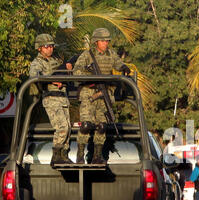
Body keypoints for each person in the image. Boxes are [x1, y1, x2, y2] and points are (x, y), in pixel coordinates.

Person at [73, 28, 131, 164]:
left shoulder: (111, 54)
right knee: (86, 125)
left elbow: (118, 63)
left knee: (101, 126)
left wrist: (123, 68)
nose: (106, 43)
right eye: (103, 41)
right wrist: (91, 78)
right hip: (88, 92)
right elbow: (77, 71)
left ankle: (97, 156)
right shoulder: (87, 55)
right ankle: (80, 154)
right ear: (96, 41)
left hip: (104, 93)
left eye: (107, 41)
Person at [29, 34, 74, 166]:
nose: (50, 49)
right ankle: (56, 156)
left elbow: (65, 75)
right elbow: (35, 75)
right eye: (47, 46)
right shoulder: (37, 63)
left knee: (68, 128)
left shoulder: (56, 61)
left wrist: (68, 70)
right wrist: (52, 80)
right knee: (62, 127)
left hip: (62, 97)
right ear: (39, 48)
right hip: (51, 98)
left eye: (52, 46)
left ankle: (64, 155)